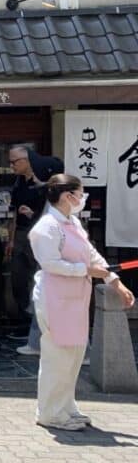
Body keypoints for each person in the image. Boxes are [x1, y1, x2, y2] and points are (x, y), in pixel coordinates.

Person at [29, 174, 134, 431]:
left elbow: (92, 255)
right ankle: (50, 412)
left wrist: (115, 282)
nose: (82, 198)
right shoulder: (46, 227)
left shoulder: (72, 222)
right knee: (58, 357)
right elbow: (50, 264)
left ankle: (65, 405)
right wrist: (85, 270)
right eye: (80, 193)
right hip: (54, 299)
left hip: (74, 299)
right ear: (68, 196)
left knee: (74, 355)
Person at [7, 145, 61, 351]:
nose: (11, 166)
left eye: (14, 162)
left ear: (27, 160)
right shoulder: (19, 183)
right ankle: (26, 323)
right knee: (18, 278)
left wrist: (32, 215)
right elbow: (14, 212)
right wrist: (11, 239)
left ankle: (36, 329)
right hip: (22, 234)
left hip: (40, 236)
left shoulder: (48, 185)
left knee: (37, 282)